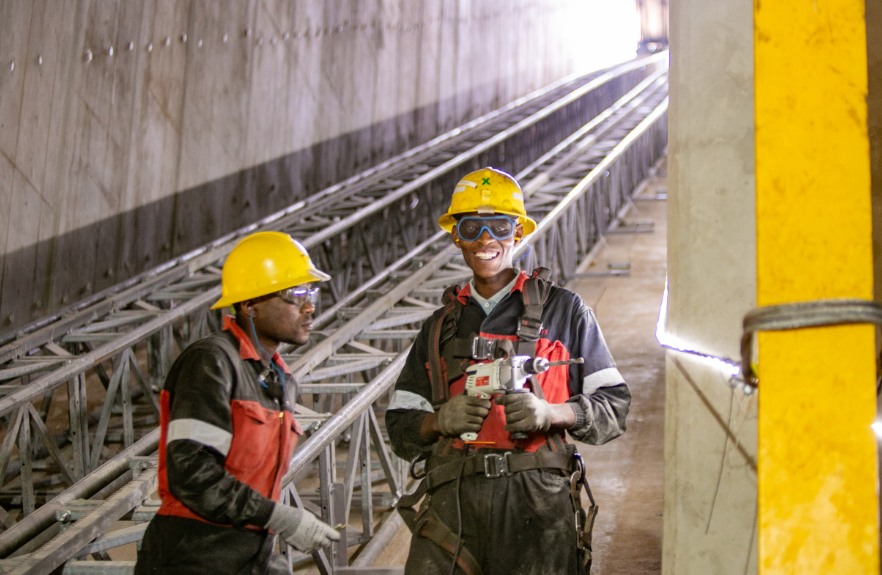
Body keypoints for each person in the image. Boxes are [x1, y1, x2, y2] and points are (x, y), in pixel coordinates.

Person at [386, 168, 631, 575]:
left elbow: (614, 407)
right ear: (455, 236)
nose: (486, 239)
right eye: (472, 227)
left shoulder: (565, 311)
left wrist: (552, 414)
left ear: (517, 233)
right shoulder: (438, 328)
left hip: (536, 504)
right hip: (453, 503)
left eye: (500, 226)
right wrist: (437, 422)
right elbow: (400, 426)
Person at [135, 231, 340, 575]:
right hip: (193, 557)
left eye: (311, 293)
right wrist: (278, 516)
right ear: (249, 305)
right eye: (295, 294)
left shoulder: (278, 378)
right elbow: (192, 473)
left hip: (246, 556)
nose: (310, 307)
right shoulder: (211, 364)